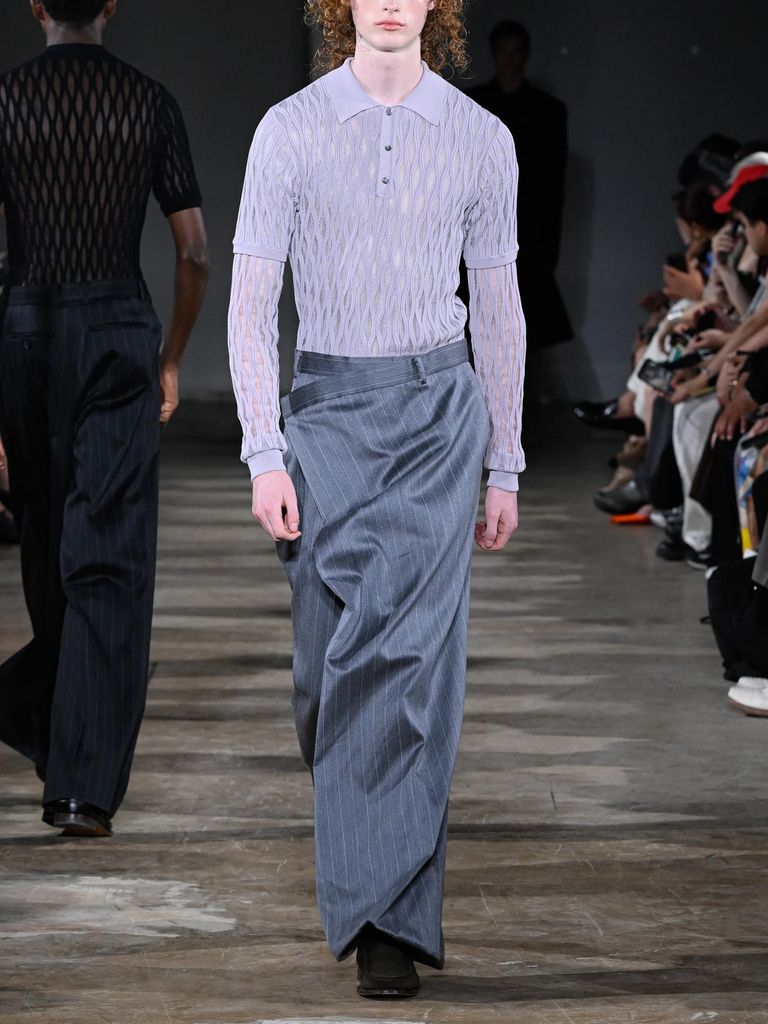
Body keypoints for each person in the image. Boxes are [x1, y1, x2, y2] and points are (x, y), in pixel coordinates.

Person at [228, 0, 525, 1000]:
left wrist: (504, 459)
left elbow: (499, 306)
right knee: (329, 679)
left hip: (438, 416)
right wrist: (264, 449)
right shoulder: (289, 129)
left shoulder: (481, 138)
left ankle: (388, 921)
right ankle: (363, 838)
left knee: (406, 668)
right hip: (325, 416)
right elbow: (251, 299)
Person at [0, 0, 208, 836]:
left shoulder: (5, 101)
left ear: (35, 5)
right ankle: (78, 783)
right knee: (108, 555)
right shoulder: (149, 103)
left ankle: (47, 726)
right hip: (119, 333)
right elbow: (194, 252)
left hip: (25, 336)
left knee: (48, 546)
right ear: (111, 3)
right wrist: (172, 356)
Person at [466, 19, 572, 353]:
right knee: (481, 324)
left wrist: (550, 246)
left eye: (515, 51)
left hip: (530, 227)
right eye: (503, 51)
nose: (509, 59)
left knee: (527, 329)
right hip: (481, 223)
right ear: (493, 54)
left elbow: (554, 183)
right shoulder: (473, 106)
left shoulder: (549, 111)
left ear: (525, 54)